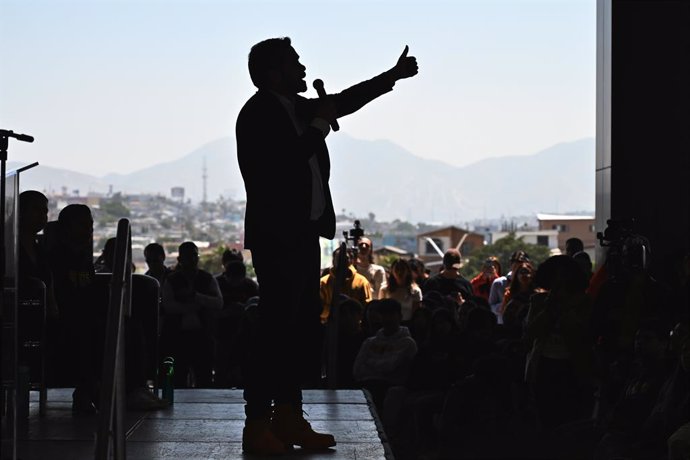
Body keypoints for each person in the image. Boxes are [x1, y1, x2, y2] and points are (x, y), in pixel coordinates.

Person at [235, 36, 418, 455]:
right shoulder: (261, 112)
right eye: (294, 63)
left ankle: (288, 416)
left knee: (296, 331)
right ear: (273, 73)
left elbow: (343, 101)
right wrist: (318, 123)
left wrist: (390, 77)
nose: (303, 68)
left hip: (301, 234)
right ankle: (258, 422)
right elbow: (286, 160)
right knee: (275, 331)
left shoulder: (292, 108)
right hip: (278, 236)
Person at [160, 241, 223, 388]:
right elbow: (168, 307)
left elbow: (219, 303)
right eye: (189, 256)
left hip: (200, 335)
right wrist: (198, 303)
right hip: (180, 336)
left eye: (194, 256)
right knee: (182, 378)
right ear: (180, 260)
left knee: (202, 376)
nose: (192, 260)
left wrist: (194, 298)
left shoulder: (173, 280)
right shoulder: (206, 279)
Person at [319, 246, 372, 324]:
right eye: (338, 258)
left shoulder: (362, 282)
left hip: (354, 327)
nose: (342, 261)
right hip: (329, 326)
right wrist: (335, 311)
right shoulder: (323, 282)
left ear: (351, 261)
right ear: (333, 261)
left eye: (345, 258)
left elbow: (367, 307)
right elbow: (319, 308)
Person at [379, 258, 423, 323]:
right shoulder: (384, 289)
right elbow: (381, 311)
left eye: (402, 269)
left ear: (408, 271)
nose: (400, 272)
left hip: (409, 325)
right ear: (392, 271)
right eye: (397, 269)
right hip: (389, 325)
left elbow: (416, 314)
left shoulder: (415, 291)